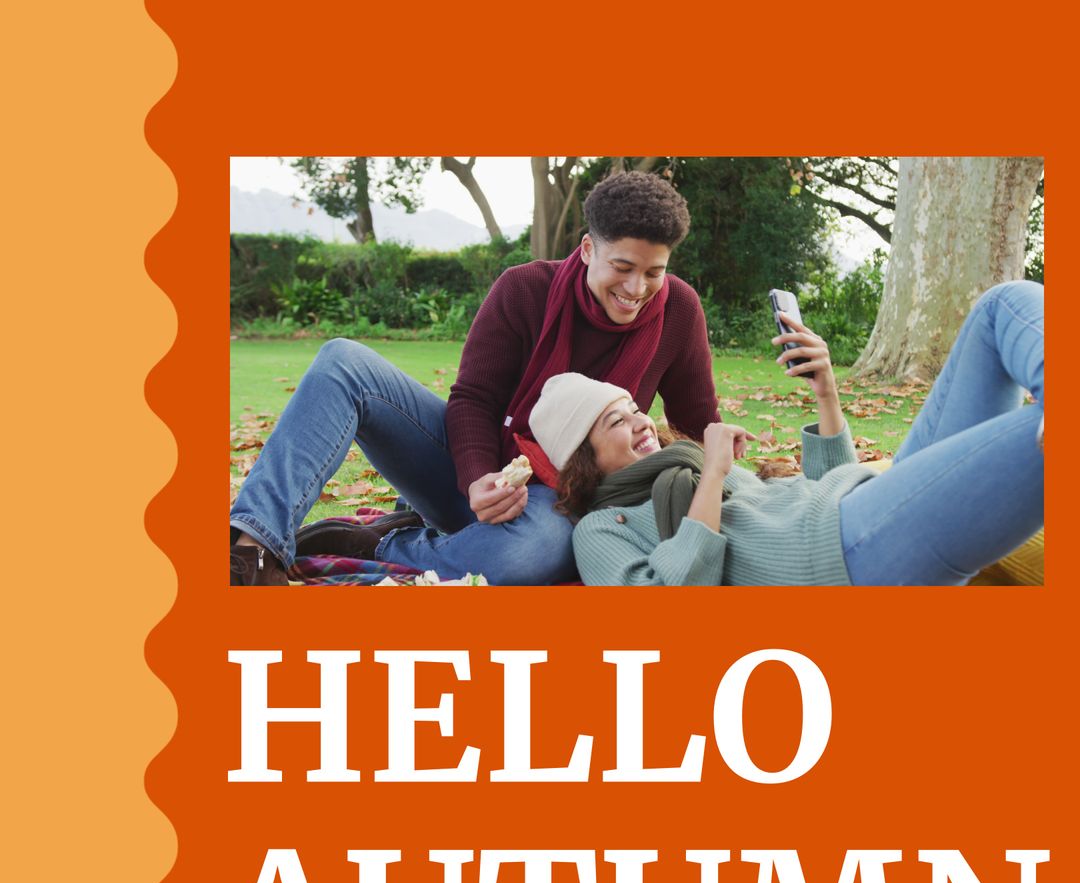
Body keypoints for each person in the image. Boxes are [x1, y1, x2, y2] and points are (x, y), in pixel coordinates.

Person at [229, 171, 721, 585]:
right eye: (623, 267)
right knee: (342, 362)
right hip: (474, 467)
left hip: (565, 501)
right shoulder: (524, 288)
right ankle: (252, 546)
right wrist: (477, 479)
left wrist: (726, 487)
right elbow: (472, 400)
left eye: (654, 272)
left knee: (528, 556)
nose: (637, 289)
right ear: (589, 248)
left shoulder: (678, 310)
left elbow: (695, 424)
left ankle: (383, 542)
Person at [528, 281, 1044, 586]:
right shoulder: (602, 529)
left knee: (1001, 306)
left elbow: (827, 484)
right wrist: (711, 473)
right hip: (847, 556)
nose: (641, 419)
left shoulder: (680, 463)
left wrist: (826, 391)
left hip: (859, 503)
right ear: (584, 459)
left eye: (633, 407)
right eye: (615, 421)